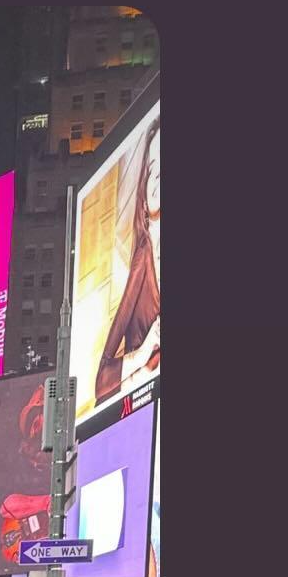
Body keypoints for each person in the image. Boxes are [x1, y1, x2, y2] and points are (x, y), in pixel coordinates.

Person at [94, 117, 160, 405]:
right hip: (141, 409)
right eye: (155, 172)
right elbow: (101, 382)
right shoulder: (142, 259)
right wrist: (143, 352)